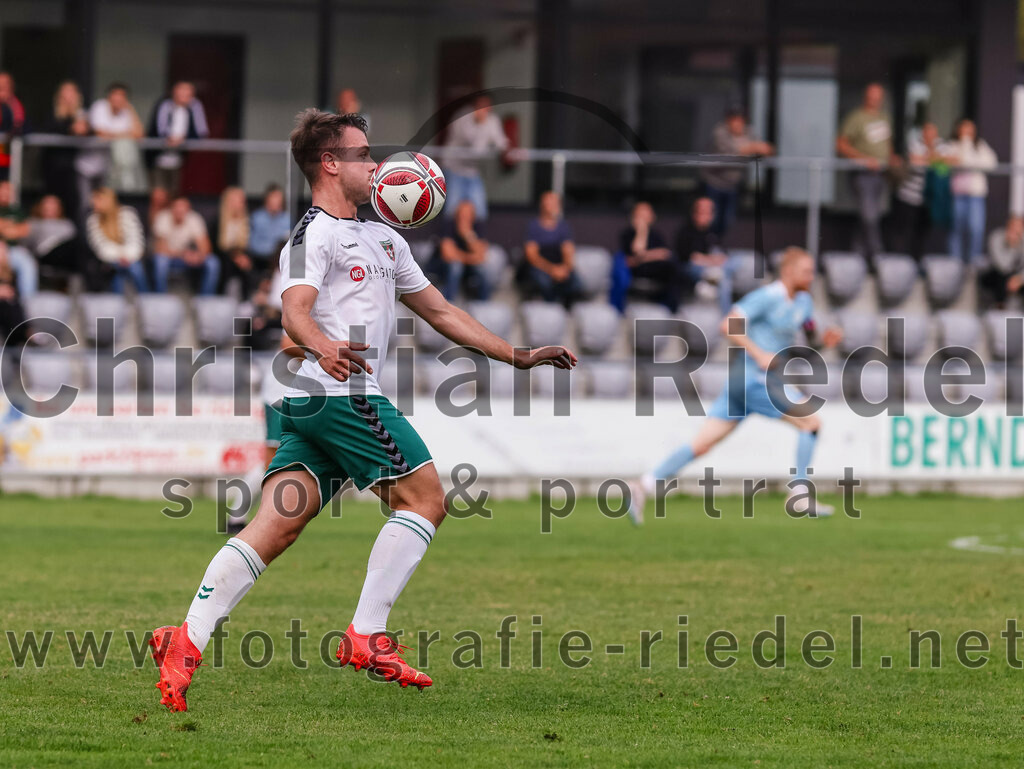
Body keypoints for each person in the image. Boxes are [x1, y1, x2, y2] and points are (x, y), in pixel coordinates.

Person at [148, 108, 577, 711]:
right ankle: (365, 635)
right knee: (425, 498)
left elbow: (442, 312)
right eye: (363, 154)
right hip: (339, 394)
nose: (376, 164)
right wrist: (323, 346)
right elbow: (295, 310)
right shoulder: (311, 235)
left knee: (275, 525)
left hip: (314, 403)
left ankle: (185, 640)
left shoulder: (384, 237)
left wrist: (517, 354)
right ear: (329, 164)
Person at [628, 247, 843, 523]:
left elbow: (811, 341)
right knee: (811, 422)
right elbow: (728, 325)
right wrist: (759, 353)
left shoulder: (804, 303)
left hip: (748, 384)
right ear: (788, 272)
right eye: (806, 271)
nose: (811, 276)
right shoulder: (767, 297)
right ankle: (799, 496)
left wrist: (825, 341)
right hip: (753, 378)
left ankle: (643, 485)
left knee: (702, 444)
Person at [836, 83, 900, 264]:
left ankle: (856, 256)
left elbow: (887, 144)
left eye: (878, 97)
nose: (875, 100)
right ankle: (878, 254)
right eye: (872, 96)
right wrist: (864, 159)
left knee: (869, 215)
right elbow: (841, 144)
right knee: (869, 215)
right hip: (862, 174)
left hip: (881, 174)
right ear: (866, 97)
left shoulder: (884, 117)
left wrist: (891, 157)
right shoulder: (856, 117)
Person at [700, 108, 774, 238]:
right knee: (711, 219)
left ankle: (717, 244)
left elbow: (766, 149)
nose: (737, 123)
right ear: (728, 121)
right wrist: (752, 147)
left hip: (732, 185)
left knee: (728, 220)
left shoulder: (749, 132)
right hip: (714, 183)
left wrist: (759, 148)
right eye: (734, 120)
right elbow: (731, 154)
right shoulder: (720, 132)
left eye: (740, 120)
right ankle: (707, 244)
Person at [442, 94, 509, 220]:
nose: (484, 109)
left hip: (473, 170)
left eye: (487, 106)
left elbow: (500, 141)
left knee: (480, 209)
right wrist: (479, 123)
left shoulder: (492, 120)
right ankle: (447, 237)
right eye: (480, 105)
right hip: (454, 168)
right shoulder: (462, 116)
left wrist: (507, 149)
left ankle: (477, 237)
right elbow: (469, 141)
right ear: (474, 105)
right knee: (452, 208)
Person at [891, 122, 950, 262]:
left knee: (922, 233)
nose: (930, 136)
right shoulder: (915, 144)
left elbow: (950, 162)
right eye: (927, 132)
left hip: (928, 199)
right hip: (908, 196)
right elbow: (915, 161)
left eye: (932, 133)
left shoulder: (942, 145)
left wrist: (930, 159)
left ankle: (916, 263)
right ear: (923, 133)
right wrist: (936, 159)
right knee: (904, 231)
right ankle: (899, 262)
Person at [947, 118, 998, 265]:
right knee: (957, 229)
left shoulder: (980, 145)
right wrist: (965, 145)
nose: (967, 133)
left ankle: (972, 262)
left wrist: (970, 156)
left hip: (976, 195)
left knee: (976, 229)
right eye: (964, 129)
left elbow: (991, 163)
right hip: (958, 195)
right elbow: (961, 161)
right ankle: (955, 262)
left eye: (970, 129)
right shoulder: (952, 146)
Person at [675, 196, 735, 315]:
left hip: (716, 269)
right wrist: (711, 261)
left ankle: (732, 321)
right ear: (694, 212)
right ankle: (728, 322)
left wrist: (716, 260)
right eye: (701, 211)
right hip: (691, 270)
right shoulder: (685, 231)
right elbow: (693, 258)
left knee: (743, 263)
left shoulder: (712, 233)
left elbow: (721, 255)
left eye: (708, 212)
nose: (705, 215)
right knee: (722, 280)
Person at [147, 81, 210, 193]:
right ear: (174, 93)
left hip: (181, 159)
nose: (184, 97)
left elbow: (202, 132)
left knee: (175, 194)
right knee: (158, 195)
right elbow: (159, 129)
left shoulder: (195, 106)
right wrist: (169, 138)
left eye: (188, 94)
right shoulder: (164, 105)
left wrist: (184, 139)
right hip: (157, 157)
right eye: (181, 93)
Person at [521, 190, 582, 306]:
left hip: (559, 266)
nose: (553, 206)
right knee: (544, 282)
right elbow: (532, 256)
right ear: (542, 205)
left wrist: (565, 268)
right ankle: (549, 310)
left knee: (575, 282)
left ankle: (565, 310)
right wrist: (551, 270)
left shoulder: (564, 227)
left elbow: (568, 251)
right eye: (549, 203)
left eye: (555, 202)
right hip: (539, 267)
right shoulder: (533, 227)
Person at [151, 195, 220, 295]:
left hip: (188, 257)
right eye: (177, 207)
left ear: (188, 209)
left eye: (183, 207)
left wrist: (198, 255)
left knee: (213, 262)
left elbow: (206, 247)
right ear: (171, 208)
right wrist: (183, 255)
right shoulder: (163, 218)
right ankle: (161, 298)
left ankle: (206, 300)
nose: (180, 210)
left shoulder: (194, 218)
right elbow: (161, 248)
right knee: (161, 261)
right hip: (170, 258)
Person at [42, 81, 92, 217]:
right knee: (53, 202)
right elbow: (48, 130)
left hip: (75, 168)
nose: (68, 96)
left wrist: (84, 129)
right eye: (65, 92)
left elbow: (90, 131)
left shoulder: (82, 113)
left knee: (75, 203)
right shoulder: (53, 113)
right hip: (54, 167)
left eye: (71, 92)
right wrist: (70, 129)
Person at [85, 188, 148, 293]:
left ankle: (146, 299)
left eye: (97, 200)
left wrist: (126, 256)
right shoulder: (93, 220)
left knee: (135, 269)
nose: (93, 204)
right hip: (107, 259)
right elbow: (100, 245)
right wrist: (119, 257)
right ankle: (117, 304)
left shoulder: (128, 213)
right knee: (116, 272)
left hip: (130, 257)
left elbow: (136, 240)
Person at [618, 201, 677, 311]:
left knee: (673, 268)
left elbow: (665, 254)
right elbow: (636, 254)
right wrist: (642, 231)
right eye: (640, 215)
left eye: (647, 214)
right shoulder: (627, 235)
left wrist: (643, 257)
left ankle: (670, 310)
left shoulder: (657, 235)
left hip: (657, 271)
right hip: (636, 272)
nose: (644, 218)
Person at [89, 82, 146, 193]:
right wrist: (126, 134)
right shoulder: (99, 106)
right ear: (109, 96)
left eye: (122, 96)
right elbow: (100, 133)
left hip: (113, 168)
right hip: (92, 165)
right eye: (115, 94)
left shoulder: (127, 110)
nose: (118, 99)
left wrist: (130, 108)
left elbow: (139, 134)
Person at [429, 199, 491, 301]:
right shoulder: (448, 225)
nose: (464, 217)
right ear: (456, 215)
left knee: (484, 268)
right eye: (462, 214)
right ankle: (448, 301)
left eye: (468, 215)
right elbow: (448, 255)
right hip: (441, 266)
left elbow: (482, 256)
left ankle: (483, 303)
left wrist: (467, 235)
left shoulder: (477, 226)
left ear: (473, 216)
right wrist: (471, 258)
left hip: (468, 267)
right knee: (456, 266)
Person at [24, 195, 80, 289]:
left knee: (79, 247)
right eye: (47, 204)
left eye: (53, 204)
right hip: (46, 254)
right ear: (40, 206)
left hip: (67, 254)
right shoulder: (32, 222)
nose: (49, 207)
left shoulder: (67, 224)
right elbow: (25, 244)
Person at [216, 186, 254, 297]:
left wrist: (241, 257)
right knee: (226, 265)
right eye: (240, 201)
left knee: (247, 264)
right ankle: (221, 299)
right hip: (223, 257)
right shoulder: (218, 221)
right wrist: (235, 257)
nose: (243, 204)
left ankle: (246, 303)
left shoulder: (247, 221)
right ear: (229, 202)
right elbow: (216, 247)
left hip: (241, 255)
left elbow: (247, 245)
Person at [0, 180, 35, 298]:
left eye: (9, 190)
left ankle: (27, 302)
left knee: (27, 263)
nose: (6, 193)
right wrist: (11, 226)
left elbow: (24, 231)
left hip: (13, 249)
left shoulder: (16, 210)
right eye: (3, 190)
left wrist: (5, 227)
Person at [980, 216, 1024, 308]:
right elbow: (1003, 266)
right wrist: (1012, 246)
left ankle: (1016, 316)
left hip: (1015, 278)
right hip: (994, 275)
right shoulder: (996, 237)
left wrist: (1019, 279)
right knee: (1003, 277)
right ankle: (1000, 311)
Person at [248, 184, 292, 264]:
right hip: (260, 261)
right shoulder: (257, 218)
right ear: (267, 199)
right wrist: (274, 249)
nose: (276, 201)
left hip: (281, 262)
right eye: (274, 197)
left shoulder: (287, 219)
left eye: (279, 198)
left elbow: (290, 243)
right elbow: (252, 245)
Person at [0, 241, 26, 346]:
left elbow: (15, 295)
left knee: (12, 304)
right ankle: (24, 333)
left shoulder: (11, 275)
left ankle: (22, 333)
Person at [0, 72, 25, 182]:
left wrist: (6, 105)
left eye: (6, 84)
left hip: (7, 158)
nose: (2, 87)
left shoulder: (16, 106)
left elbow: (21, 127)